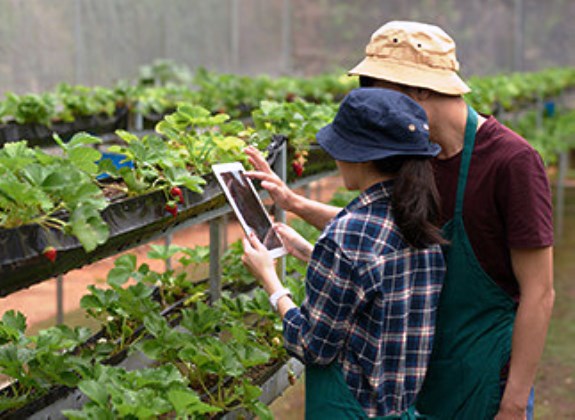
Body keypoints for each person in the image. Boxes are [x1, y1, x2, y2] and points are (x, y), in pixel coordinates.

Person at [245, 20, 555, 420]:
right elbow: (386, 237)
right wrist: (295, 203)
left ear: (421, 88)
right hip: (418, 375)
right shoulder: (416, 159)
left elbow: (540, 291)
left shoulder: (511, 161)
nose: (373, 105)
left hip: (485, 376)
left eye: (377, 90)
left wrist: (514, 401)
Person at [242, 87, 446, 418]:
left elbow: (312, 345)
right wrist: (310, 251)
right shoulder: (419, 219)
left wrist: (270, 282)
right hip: (401, 408)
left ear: (362, 155)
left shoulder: (347, 235)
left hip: (349, 409)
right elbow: (372, 283)